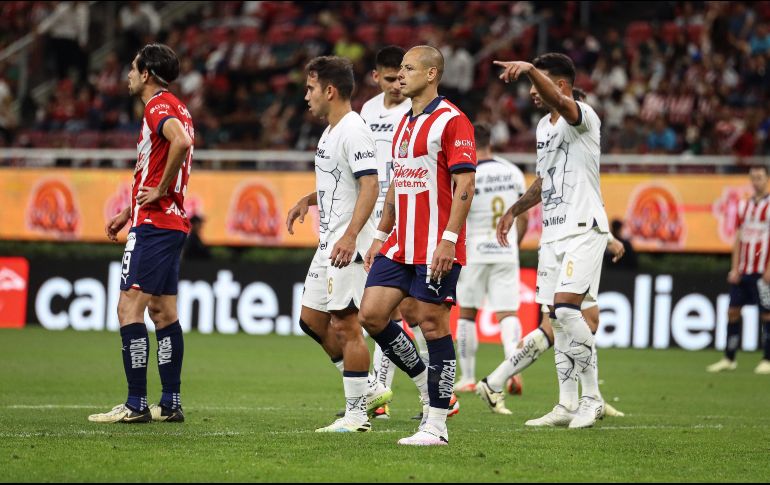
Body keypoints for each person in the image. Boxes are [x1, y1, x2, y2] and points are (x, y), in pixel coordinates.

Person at [477, 52, 610, 429]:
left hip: (583, 226)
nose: (531, 91)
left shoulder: (583, 115)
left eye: (538, 84)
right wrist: (515, 210)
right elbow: (543, 181)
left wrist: (532, 70)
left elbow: (563, 105)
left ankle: (592, 398)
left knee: (568, 310)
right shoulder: (542, 128)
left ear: (561, 85)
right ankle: (567, 403)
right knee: (556, 318)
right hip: (552, 233)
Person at [358, 45, 477, 446]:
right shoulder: (405, 123)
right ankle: (428, 388)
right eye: (398, 70)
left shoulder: (452, 120)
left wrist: (448, 239)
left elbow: (465, 184)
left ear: (431, 74)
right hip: (399, 242)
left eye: (408, 69)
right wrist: (378, 236)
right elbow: (396, 185)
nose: (399, 76)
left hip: (434, 244)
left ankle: (436, 425)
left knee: (432, 324)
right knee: (372, 315)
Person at [88, 44, 193, 424]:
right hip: (169, 221)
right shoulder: (178, 105)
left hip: (155, 223)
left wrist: (160, 191)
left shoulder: (157, 106)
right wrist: (126, 211)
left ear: (147, 72)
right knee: (163, 312)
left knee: (127, 307)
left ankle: (135, 404)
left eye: (133, 69)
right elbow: (168, 154)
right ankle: (170, 402)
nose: (129, 76)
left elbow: (181, 142)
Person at [285, 56, 385, 433]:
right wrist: (306, 201)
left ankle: (357, 415)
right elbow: (339, 183)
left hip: (347, 243)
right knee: (311, 320)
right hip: (329, 241)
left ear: (329, 90)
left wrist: (349, 236)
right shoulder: (330, 131)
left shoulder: (354, 129)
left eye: (310, 89)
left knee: (345, 324)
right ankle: (370, 387)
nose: (306, 96)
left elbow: (370, 185)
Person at [454, 122, 528, 395]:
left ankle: (469, 377)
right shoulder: (513, 171)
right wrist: (513, 245)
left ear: (470, 145)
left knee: (467, 313)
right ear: (491, 142)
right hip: (506, 250)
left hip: (475, 249)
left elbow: (459, 214)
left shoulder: (467, 174)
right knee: (507, 312)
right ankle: (512, 369)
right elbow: (525, 215)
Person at [708, 165, 770, 375]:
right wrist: (734, 267)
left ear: (767, 179)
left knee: (767, 315)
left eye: (760, 177)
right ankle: (729, 358)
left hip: (763, 271)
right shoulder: (744, 206)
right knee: (732, 311)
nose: (756, 181)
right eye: (753, 177)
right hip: (743, 270)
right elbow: (738, 238)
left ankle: (767, 360)